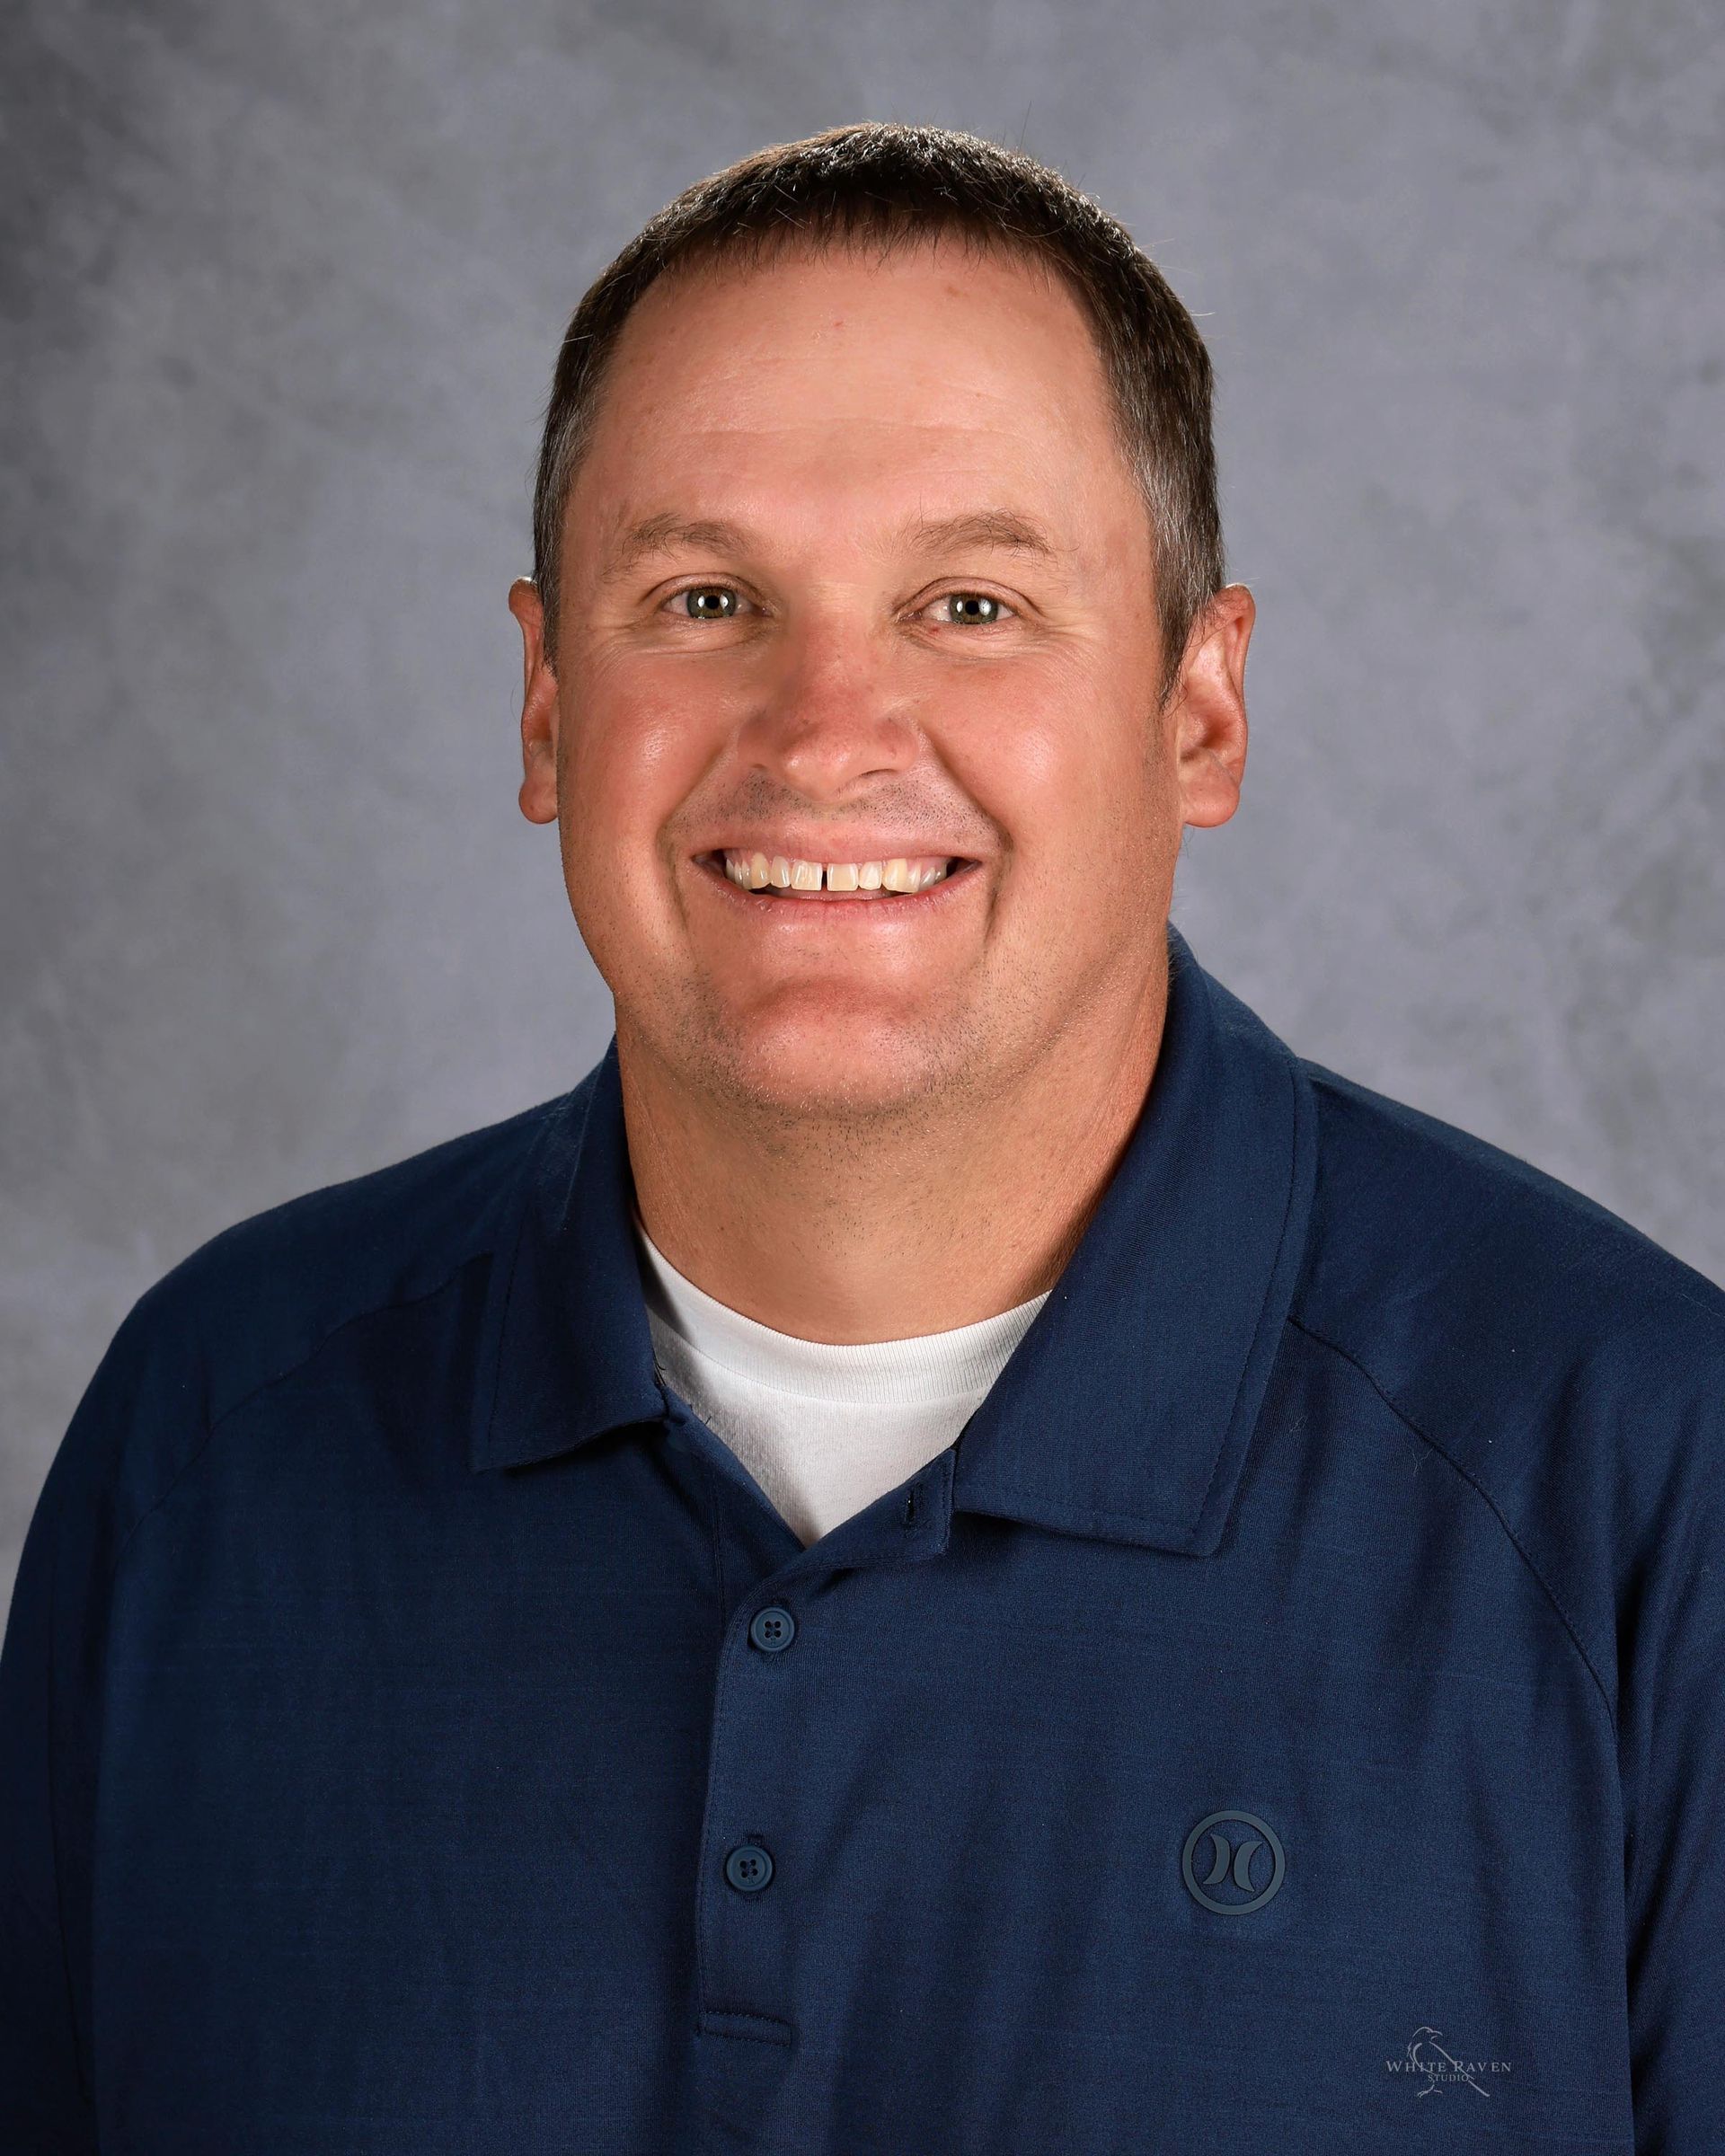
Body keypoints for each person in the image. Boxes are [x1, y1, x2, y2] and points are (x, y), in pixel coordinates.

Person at [2, 119, 1720, 2155]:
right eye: (707, 593)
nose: (826, 735)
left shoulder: (1639, 1480)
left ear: (1200, 715)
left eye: (972, 605)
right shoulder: (210, 1441)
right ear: (549, 708)